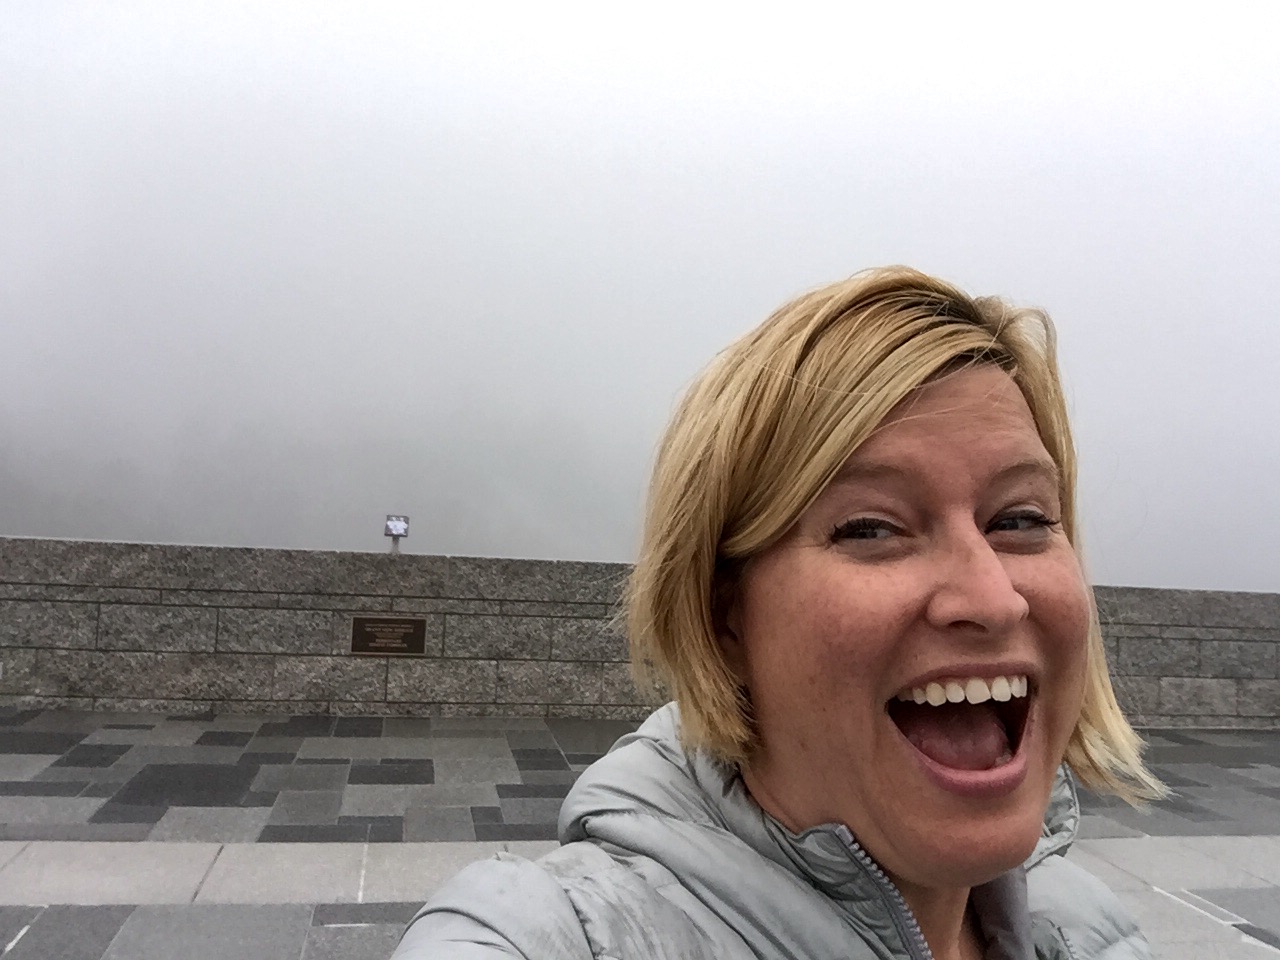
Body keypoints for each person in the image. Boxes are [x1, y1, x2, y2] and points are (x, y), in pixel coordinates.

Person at [392, 267, 1164, 960]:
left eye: (1021, 518)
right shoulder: (555, 935)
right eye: (871, 528)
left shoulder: (1091, 926)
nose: (993, 599)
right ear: (724, 616)